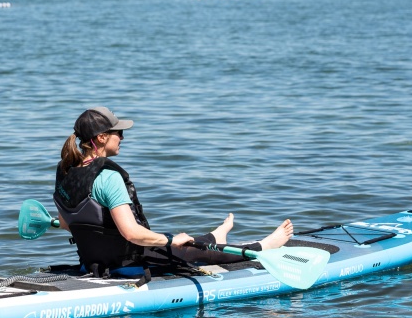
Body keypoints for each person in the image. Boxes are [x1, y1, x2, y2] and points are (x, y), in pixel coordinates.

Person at [53, 106, 293, 277]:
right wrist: (169, 240)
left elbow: (66, 223)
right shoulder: (109, 177)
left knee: (181, 242)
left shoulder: (66, 172)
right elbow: (131, 234)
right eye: (119, 133)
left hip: (94, 262)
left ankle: (215, 237)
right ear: (102, 137)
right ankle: (263, 247)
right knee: (190, 251)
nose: (123, 137)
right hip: (128, 264)